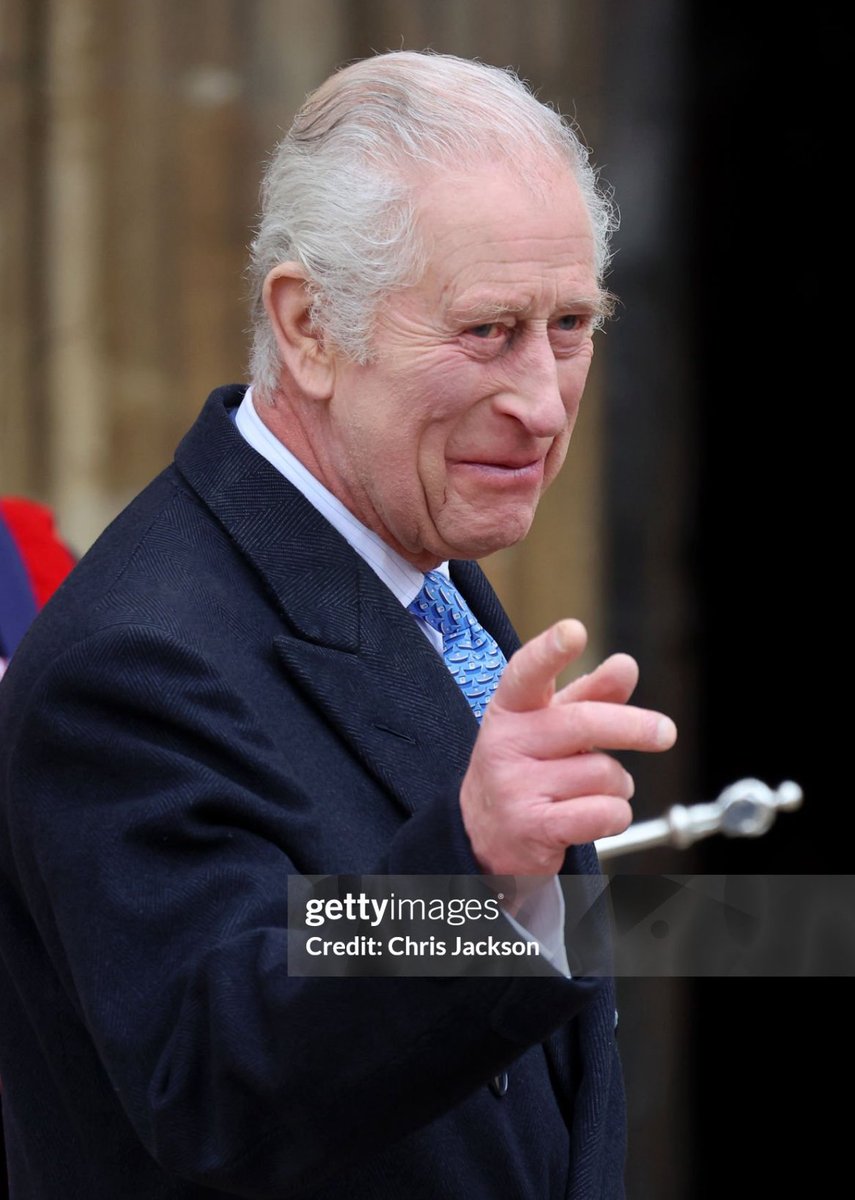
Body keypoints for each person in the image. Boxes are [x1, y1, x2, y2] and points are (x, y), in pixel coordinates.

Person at [0, 51, 676, 1199]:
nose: (544, 401)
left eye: (570, 323)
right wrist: (474, 867)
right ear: (308, 327)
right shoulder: (136, 658)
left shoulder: (414, 549)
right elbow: (216, 1075)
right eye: (486, 331)